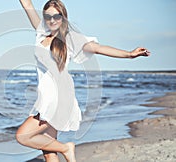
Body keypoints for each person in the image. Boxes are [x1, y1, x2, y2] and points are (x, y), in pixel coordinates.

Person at [16, 0, 150, 162]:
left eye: (57, 16)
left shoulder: (70, 39)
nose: (52, 20)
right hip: (46, 99)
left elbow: (98, 48)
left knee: (22, 136)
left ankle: (67, 148)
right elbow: (28, 5)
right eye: (48, 16)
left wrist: (129, 54)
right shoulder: (41, 33)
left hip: (58, 99)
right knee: (49, 152)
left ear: (63, 18)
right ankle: (65, 151)